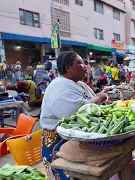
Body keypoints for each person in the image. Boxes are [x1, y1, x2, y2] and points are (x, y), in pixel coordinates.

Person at [40, 51, 108, 180]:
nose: (85, 66)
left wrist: (100, 96)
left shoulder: (79, 84)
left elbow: (91, 100)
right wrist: (99, 98)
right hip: (59, 143)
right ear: (68, 67)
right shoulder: (59, 86)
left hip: (77, 140)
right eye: (80, 63)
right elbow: (77, 112)